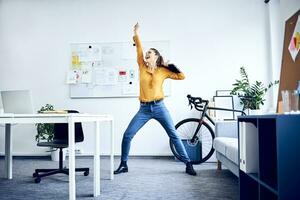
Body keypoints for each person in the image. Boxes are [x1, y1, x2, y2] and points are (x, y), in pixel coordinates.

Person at [114, 23, 196, 176]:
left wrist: (169, 64)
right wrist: (135, 32)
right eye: (147, 52)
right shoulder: (141, 65)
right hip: (144, 109)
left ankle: (188, 164)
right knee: (127, 135)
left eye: (150, 52)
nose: (146, 54)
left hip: (159, 107)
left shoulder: (163, 71)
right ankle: (124, 164)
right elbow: (138, 47)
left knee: (173, 134)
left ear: (156, 56)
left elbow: (181, 76)